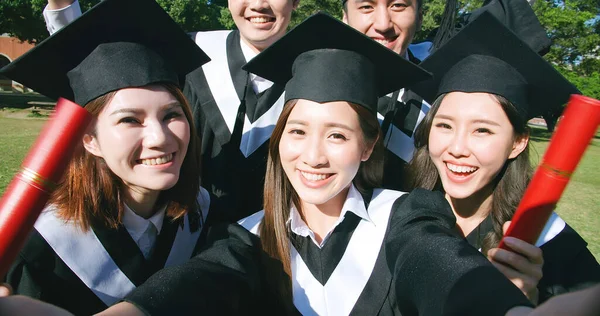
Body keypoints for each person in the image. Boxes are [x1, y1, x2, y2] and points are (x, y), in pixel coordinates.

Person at [0, 12, 536, 316]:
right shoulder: (246, 235)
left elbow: (435, 262)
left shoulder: (408, 216)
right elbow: (198, 281)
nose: (314, 155)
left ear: (369, 146)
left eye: (339, 135)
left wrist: (499, 308)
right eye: (297, 131)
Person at [0, 0, 211, 314]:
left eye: (171, 115)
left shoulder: (201, 214)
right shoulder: (41, 244)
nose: (160, 137)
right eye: (130, 120)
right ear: (89, 140)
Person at [43, 0, 299, 223]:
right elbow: (100, 67)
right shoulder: (189, 51)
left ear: (295, 1)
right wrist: (63, 8)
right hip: (177, 226)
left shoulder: (309, 72)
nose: (258, 4)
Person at [407, 10, 600, 305]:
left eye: (482, 130)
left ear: (518, 143)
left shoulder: (550, 244)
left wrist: (531, 305)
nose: (457, 147)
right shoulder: (400, 213)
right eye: (445, 125)